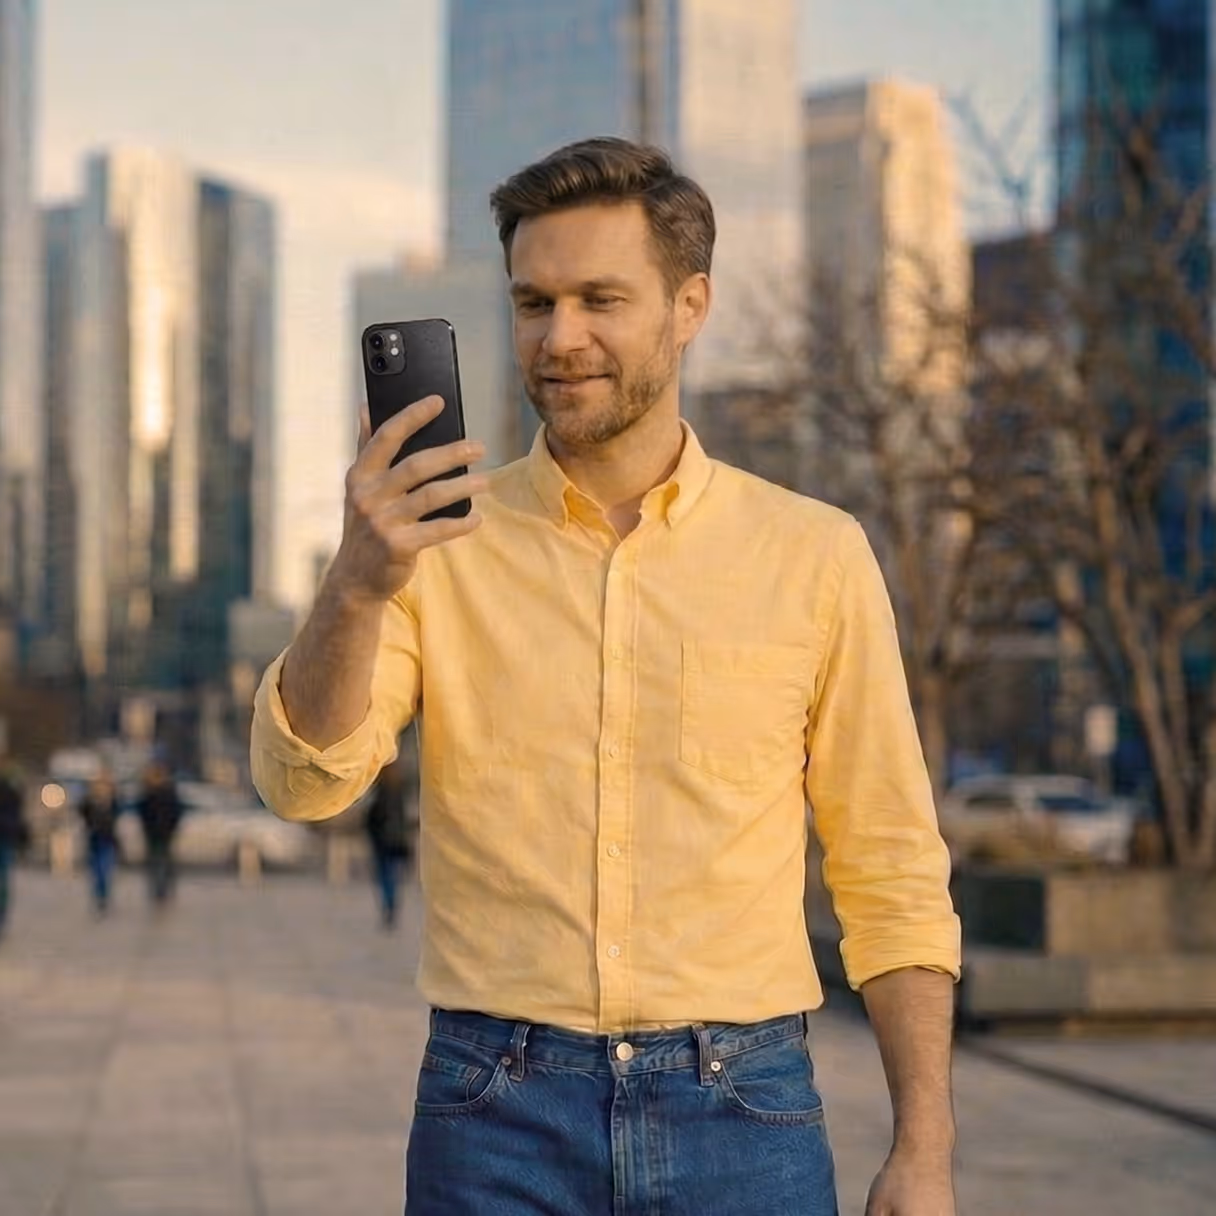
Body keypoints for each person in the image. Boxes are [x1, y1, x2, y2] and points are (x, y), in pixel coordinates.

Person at [251, 137, 962, 1216]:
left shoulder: (813, 554)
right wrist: (355, 582)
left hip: (744, 1110)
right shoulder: (432, 547)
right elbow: (307, 784)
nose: (560, 337)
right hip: (495, 1106)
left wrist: (926, 1146)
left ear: (689, 306)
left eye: (599, 299)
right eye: (533, 302)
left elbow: (891, 865)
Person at [365, 762, 413, 929]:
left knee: (385, 875)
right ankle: (392, 905)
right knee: (393, 875)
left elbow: (374, 815)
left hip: (383, 840)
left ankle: (389, 907)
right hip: (396, 840)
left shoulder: (381, 792)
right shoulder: (399, 791)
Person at [136, 762, 183, 909]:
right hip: (153, 833)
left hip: (164, 833)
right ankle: (158, 890)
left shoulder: (167, 792)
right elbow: (142, 812)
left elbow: (176, 812)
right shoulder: (148, 792)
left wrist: (171, 827)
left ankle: (162, 890)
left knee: (162, 861)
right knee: (156, 862)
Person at [78, 769, 121, 916]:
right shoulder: (89, 802)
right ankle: (98, 896)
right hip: (93, 840)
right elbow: (82, 813)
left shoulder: (112, 801)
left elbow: (117, 814)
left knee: (104, 871)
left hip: (107, 840)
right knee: (95, 872)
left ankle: (103, 896)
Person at [0, 757, 29, 939]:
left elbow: (17, 812)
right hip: (7, 835)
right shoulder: (13, 787)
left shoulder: (11, 788)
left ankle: (2, 917)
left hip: (5, 837)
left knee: (3, 880)